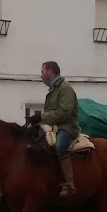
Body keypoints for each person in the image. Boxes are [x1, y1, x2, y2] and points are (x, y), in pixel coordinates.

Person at [29, 61, 80, 198]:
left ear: (50, 71)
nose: (41, 75)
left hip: (66, 126)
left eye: (42, 72)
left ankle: (69, 183)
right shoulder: (53, 89)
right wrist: (38, 121)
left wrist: (41, 116)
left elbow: (64, 112)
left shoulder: (65, 88)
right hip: (53, 126)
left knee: (60, 146)